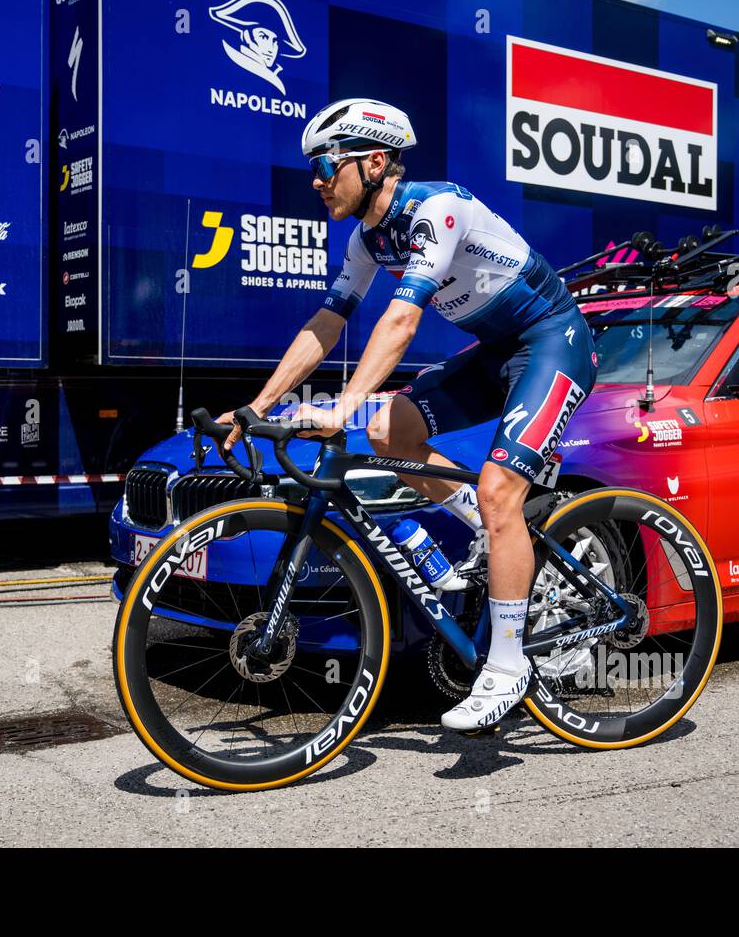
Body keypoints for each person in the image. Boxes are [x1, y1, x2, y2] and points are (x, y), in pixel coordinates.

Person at [219, 98, 597, 731]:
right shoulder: (367, 237)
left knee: (503, 490)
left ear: (372, 162)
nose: (315, 179)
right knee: (388, 429)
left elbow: (402, 318)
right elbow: (328, 320)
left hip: (553, 340)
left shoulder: (436, 210)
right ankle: (484, 526)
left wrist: (338, 406)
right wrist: (256, 405)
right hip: (496, 350)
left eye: (323, 165)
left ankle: (507, 666)